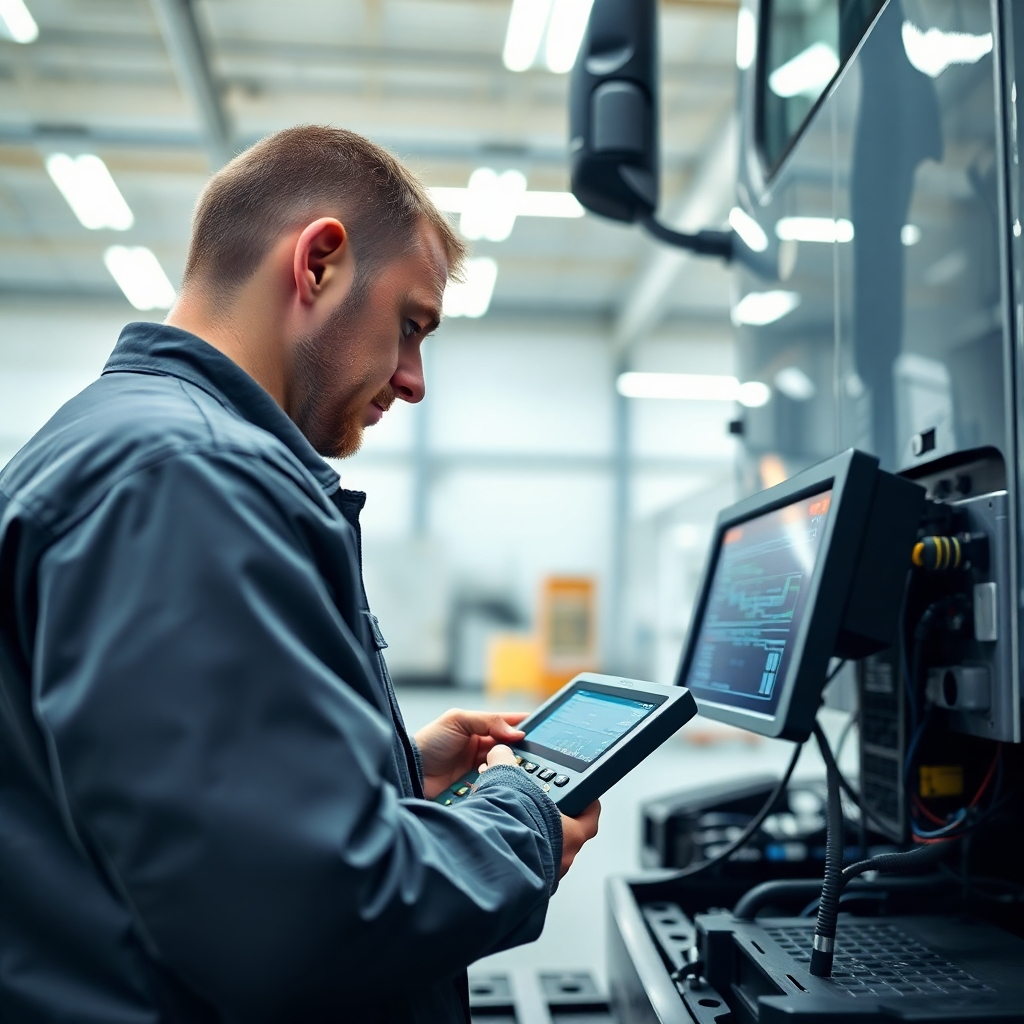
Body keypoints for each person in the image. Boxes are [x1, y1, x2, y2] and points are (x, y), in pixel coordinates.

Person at [0, 125, 600, 1024]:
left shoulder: (122, 442)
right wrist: (520, 816)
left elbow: (170, 817)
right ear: (318, 262)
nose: (413, 380)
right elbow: (304, 920)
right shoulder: (185, 478)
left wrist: (396, 770)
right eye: (410, 325)